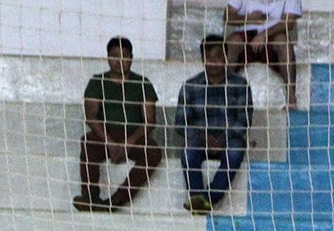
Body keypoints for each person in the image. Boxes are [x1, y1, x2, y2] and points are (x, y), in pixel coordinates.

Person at [73, 36, 162, 213]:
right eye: (114, 56)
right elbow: (91, 117)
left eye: (124, 56)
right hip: (105, 135)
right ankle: (90, 197)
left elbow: (150, 121)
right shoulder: (97, 82)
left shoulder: (142, 83)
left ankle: (118, 199)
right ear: (108, 58)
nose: (119, 61)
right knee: (88, 143)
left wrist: (128, 143)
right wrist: (110, 143)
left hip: (134, 137)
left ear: (131, 58)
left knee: (153, 152)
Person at [177, 34, 251, 215]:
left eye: (218, 56)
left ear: (225, 58)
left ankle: (208, 198)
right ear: (203, 60)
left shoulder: (240, 85)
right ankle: (197, 196)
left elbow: (244, 120)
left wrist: (222, 139)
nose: (214, 62)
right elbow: (181, 123)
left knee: (235, 151)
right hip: (200, 139)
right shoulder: (190, 86)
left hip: (230, 138)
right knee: (188, 151)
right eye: (209, 57)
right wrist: (203, 137)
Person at [225, 0, 300, 111]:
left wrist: (264, 34)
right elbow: (227, 17)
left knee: (283, 42)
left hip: (274, 35)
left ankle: (291, 100)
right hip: (245, 34)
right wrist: (249, 18)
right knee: (233, 41)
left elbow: (289, 22)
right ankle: (225, 95)